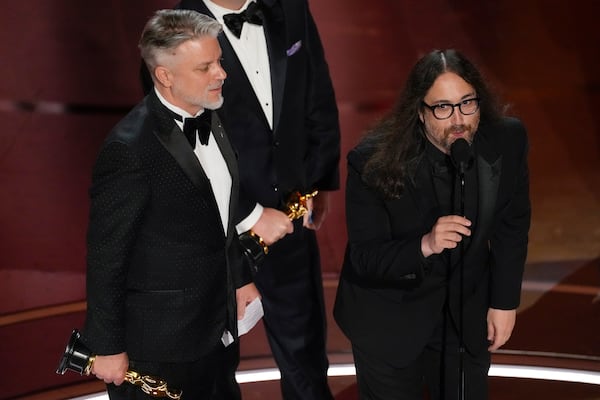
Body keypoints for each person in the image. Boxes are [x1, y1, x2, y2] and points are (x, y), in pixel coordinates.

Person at [143, 1, 341, 399]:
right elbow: (177, 151)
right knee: (215, 369)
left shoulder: (290, 8)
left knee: (306, 356)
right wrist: (249, 215)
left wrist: (318, 180)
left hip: (290, 216)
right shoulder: (172, 32)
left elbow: (316, 89)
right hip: (216, 237)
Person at [81, 9, 260, 399]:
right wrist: (107, 346)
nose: (221, 74)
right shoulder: (128, 150)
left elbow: (217, 219)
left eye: (219, 61)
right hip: (158, 349)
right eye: (205, 67)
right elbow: (106, 256)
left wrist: (240, 276)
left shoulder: (210, 113)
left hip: (216, 331)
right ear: (164, 76)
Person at [333, 49, 531, 400]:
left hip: (465, 315)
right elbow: (365, 257)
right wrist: (425, 244)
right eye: (442, 107)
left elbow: (512, 223)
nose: (457, 120)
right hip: (389, 318)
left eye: (467, 103)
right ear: (420, 113)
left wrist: (504, 302)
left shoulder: (506, 139)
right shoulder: (373, 161)